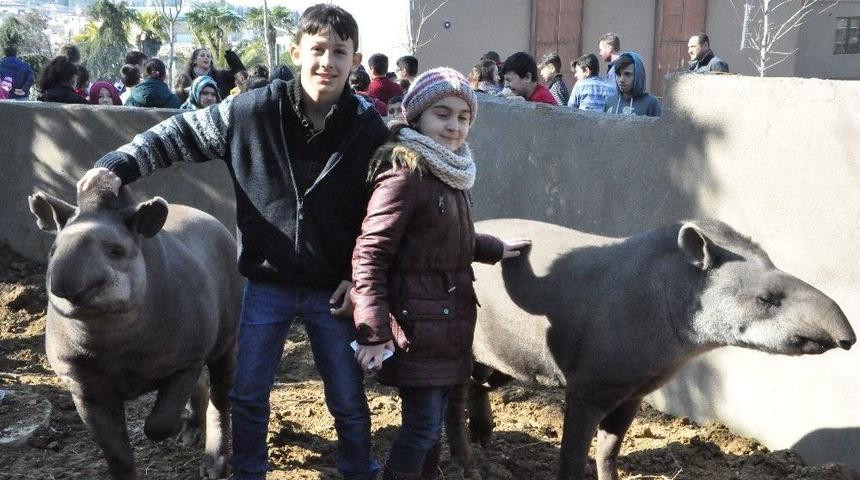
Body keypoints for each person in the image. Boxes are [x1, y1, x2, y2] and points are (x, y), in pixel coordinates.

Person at [75, 4, 389, 479]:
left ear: (355, 59)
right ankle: (248, 472)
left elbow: (379, 212)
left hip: (333, 288)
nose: (327, 62)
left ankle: (358, 470)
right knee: (247, 394)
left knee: (346, 396)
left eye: (339, 52)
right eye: (318, 49)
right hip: (267, 282)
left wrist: (357, 277)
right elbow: (180, 134)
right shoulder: (252, 111)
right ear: (296, 51)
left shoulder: (369, 127)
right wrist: (115, 167)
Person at [350, 67, 529, 479]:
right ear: (417, 117)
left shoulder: (450, 172)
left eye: (463, 117)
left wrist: (497, 248)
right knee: (422, 425)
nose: (454, 126)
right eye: (442, 114)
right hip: (418, 326)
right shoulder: (406, 174)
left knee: (429, 428)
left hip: (446, 322)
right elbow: (370, 254)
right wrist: (373, 331)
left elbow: (450, 239)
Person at [604, 52, 661, 117]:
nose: (621, 80)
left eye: (627, 74)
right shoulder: (610, 101)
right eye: (618, 74)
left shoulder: (651, 103)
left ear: (638, 75)